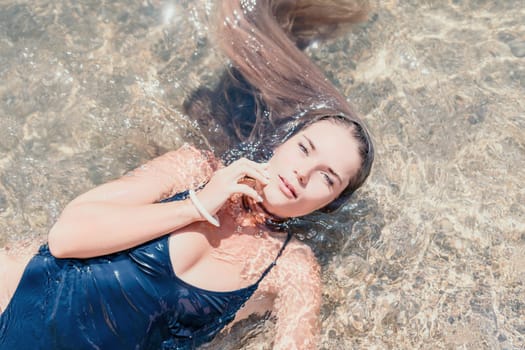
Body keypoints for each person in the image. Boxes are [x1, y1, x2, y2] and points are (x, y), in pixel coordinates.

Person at [0, 0, 374, 349]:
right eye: (304, 149)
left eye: (327, 178)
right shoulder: (195, 169)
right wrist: (197, 205)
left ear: (332, 202)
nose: (303, 173)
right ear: (282, 143)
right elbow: (65, 238)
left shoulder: (291, 269)